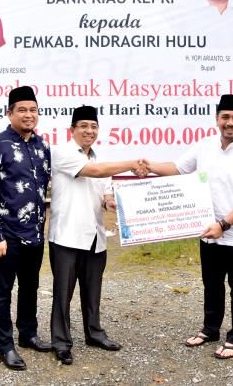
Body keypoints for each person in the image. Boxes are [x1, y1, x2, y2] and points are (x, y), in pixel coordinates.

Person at [146, 95, 233, 359]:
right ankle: (210, 329)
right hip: (209, 233)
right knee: (211, 284)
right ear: (217, 119)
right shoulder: (205, 146)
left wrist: (224, 224)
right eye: (225, 117)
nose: (230, 123)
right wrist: (147, 166)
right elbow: (177, 168)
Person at [48, 106, 146, 365]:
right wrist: (131, 164)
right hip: (67, 236)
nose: (89, 131)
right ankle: (61, 342)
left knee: (93, 291)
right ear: (72, 130)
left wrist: (110, 202)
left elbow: (105, 191)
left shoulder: (99, 157)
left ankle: (94, 333)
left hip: (94, 236)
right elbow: (96, 172)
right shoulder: (62, 153)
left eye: (93, 126)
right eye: (83, 126)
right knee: (63, 294)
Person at [0, 86, 52, 371]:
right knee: (2, 291)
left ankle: (28, 334)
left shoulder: (42, 146)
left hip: (34, 232)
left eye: (33, 110)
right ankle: (5, 346)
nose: (28, 115)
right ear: (9, 113)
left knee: (30, 286)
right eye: (22, 110)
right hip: (6, 235)